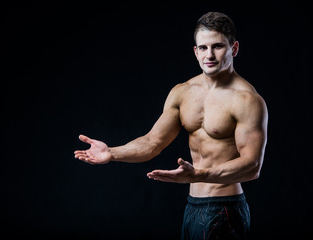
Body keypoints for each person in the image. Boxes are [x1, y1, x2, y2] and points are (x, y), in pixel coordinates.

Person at [74, 12, 268, 240]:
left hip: (225, 208)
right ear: (195, 51)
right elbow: (153, 142)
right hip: (192, 206)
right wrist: (112, 153)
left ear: (234, 48)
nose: (210, 55)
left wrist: (199, 174)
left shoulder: (247, 100)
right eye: (203, 48)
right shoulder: (182, 92)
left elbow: (252, 166)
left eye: (218, 46)